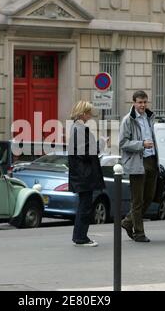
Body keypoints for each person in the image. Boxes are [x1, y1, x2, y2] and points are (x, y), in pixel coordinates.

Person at [119, 90, 159, 243]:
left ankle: (128, 221)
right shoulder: (128, 120)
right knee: (138, 200)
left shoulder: (150, 117)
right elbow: (123, 143)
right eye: (140, 102)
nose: (142, 105)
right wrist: (141, 144)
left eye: (144, 102)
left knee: (149, 197)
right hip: (137, 161)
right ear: (134, 103)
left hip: (151, 160)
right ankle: (139, 233)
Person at [68, 101, 107, 247]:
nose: (90, 115)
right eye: (89, 113)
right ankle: (80, 237)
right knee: (85, 207)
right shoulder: (80, 129)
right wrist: (100, 144)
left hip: (81, 174)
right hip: (84, 175)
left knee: (84, 206)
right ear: (83, 113)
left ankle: (79, 236)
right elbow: (85, 153)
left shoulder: (76, 128)